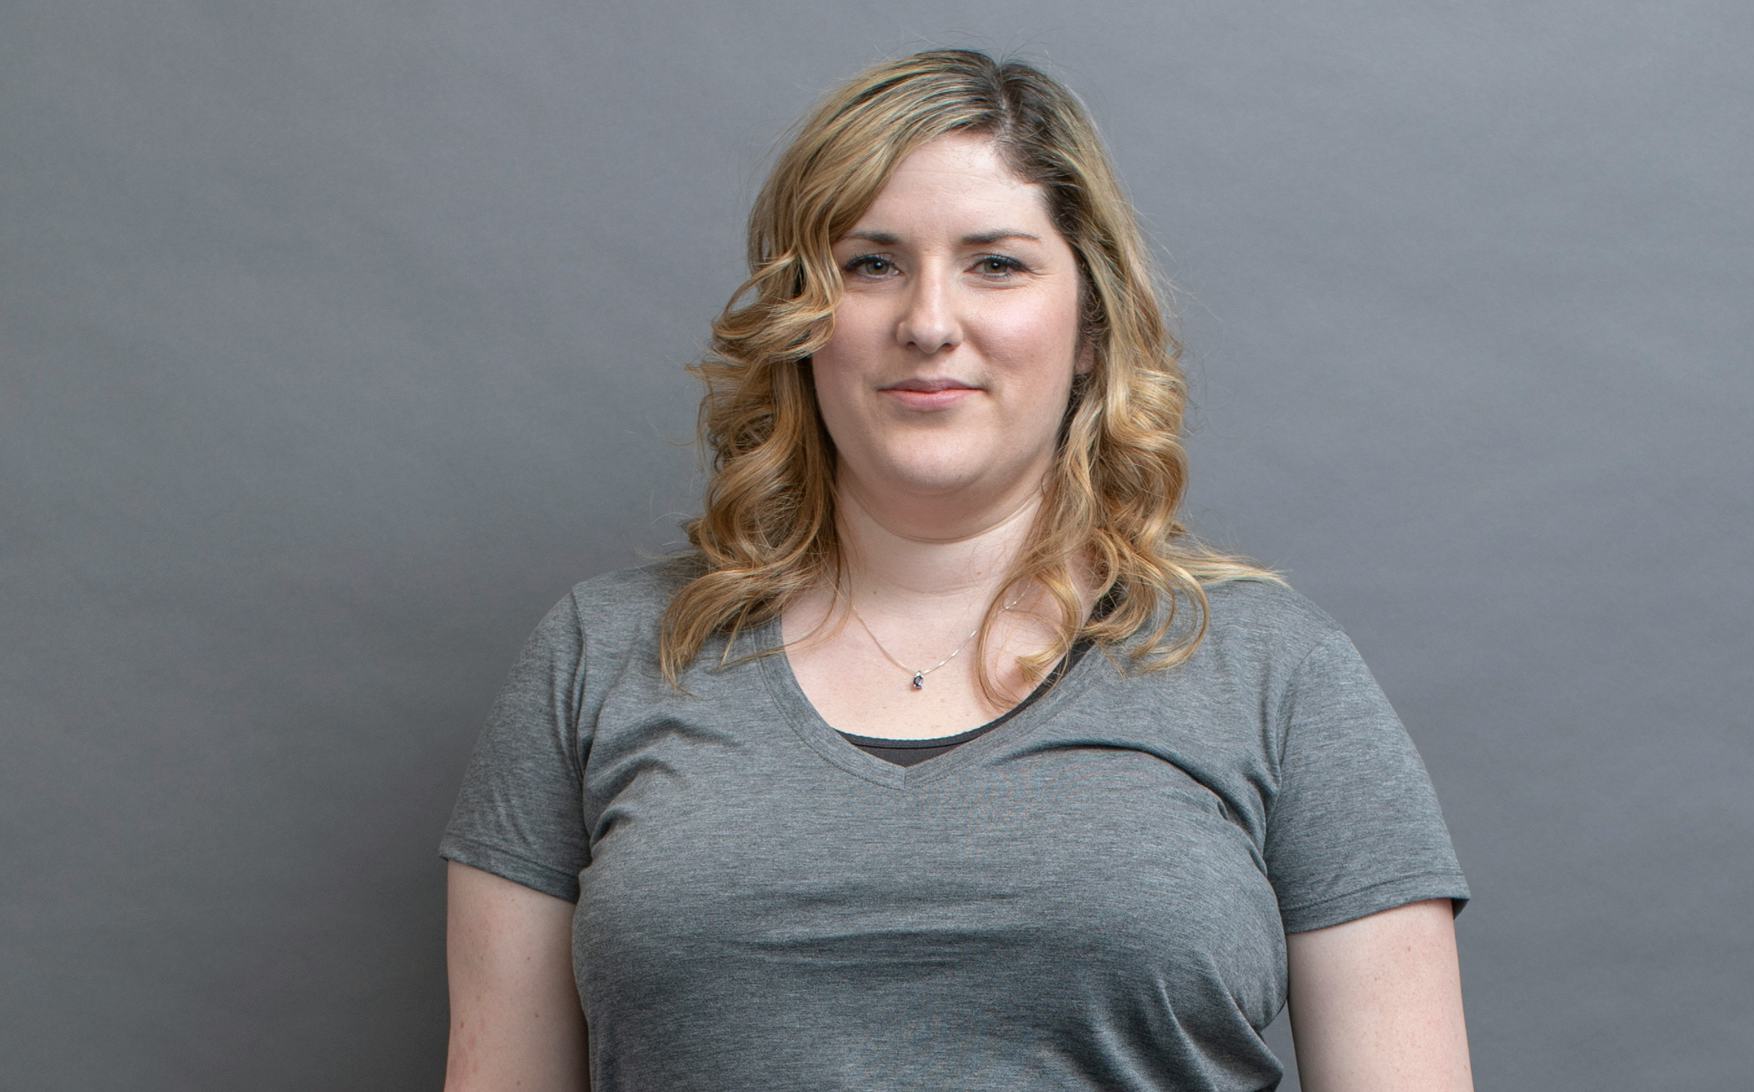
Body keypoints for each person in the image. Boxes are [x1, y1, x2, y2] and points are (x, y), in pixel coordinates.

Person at [440, 48, 1473, 1091]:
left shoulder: (1273, 674)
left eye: (996, 264)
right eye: (870, 263)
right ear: (801, 321)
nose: (929, 324)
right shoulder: (600, 655)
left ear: (1088, 328)